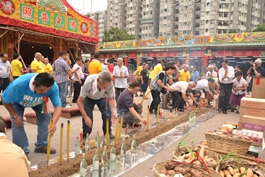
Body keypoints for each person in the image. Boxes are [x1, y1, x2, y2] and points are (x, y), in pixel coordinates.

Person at [2, 73, 62, 155]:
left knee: (46, 118)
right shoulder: (18, 85)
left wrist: (53, 123)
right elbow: (4, 100)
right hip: (17, 102)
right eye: (41, 90)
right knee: (17, 123)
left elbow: (58, 107)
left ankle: (41, 145)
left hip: (38, 102)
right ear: (34, 84)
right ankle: (21, 151)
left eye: (46, 91)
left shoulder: (53, 86)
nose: (44, 93)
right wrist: (15, 116)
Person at [77, 71, 118, 139]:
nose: (105, 88)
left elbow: (111, 98)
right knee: (88, 116)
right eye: (104, 86)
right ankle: (85, 135)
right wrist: (85, 117)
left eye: (107, 86)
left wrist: (114, 112)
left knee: (107, 114)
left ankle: (107, 132)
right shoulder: (88, 82)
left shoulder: (109, 84)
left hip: (101, 97)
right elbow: (79, 101)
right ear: (98, 80)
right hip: (88, 98)